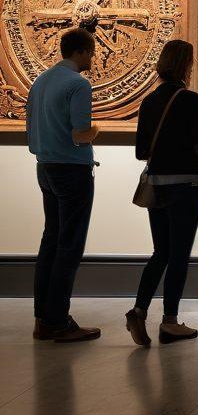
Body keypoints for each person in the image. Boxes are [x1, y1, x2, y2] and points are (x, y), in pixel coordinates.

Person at [124, 40, 198, 347]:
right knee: (180, 253)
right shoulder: (191, 100)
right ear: (187, 65)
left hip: (156, 185)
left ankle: (139, 308)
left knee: (161, 252)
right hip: (185, 185)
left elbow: (142, 151)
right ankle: (170, 322)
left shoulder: (149, 102)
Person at [27, 27, 101, 343]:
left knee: (50, 242)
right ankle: (58, 321)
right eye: (92, 52)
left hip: (45, 168)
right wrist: (95, 131)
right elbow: (80, 132)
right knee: (69, 246)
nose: (93, 57)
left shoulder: (40, 81)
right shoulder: (77, 84)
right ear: (82, 51)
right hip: (72, 171)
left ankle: (43, 320)